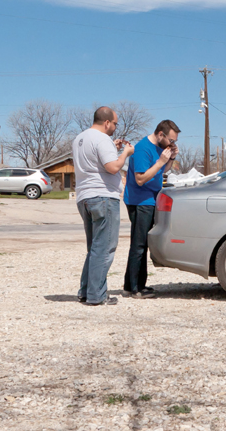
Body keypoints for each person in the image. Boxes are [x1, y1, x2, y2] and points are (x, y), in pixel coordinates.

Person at [72, 105, 133, 306]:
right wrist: (125, 153)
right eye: (115, 123)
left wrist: (112, 150)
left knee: (94, 248)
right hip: (103, 197)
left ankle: (85, 291)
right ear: (106, 122)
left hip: (85, 197)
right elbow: (112, 166)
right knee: (105, 248)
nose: (115, 127)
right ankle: (96, 295)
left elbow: (95, 163)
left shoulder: (79, 138)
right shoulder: (102, 139)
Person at [122, 119, 180, 297]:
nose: (173, 143)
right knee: (139, 244)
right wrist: (161, 161)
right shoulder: (142, 149)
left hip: (151, 199)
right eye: (171, 140)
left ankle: (139, 284)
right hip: (140, 201)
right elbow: (140, 179)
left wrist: (170, 158)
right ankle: (133, 288)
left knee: (145, 244)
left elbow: (162, 171)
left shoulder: (159, 148)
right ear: (160, 134)